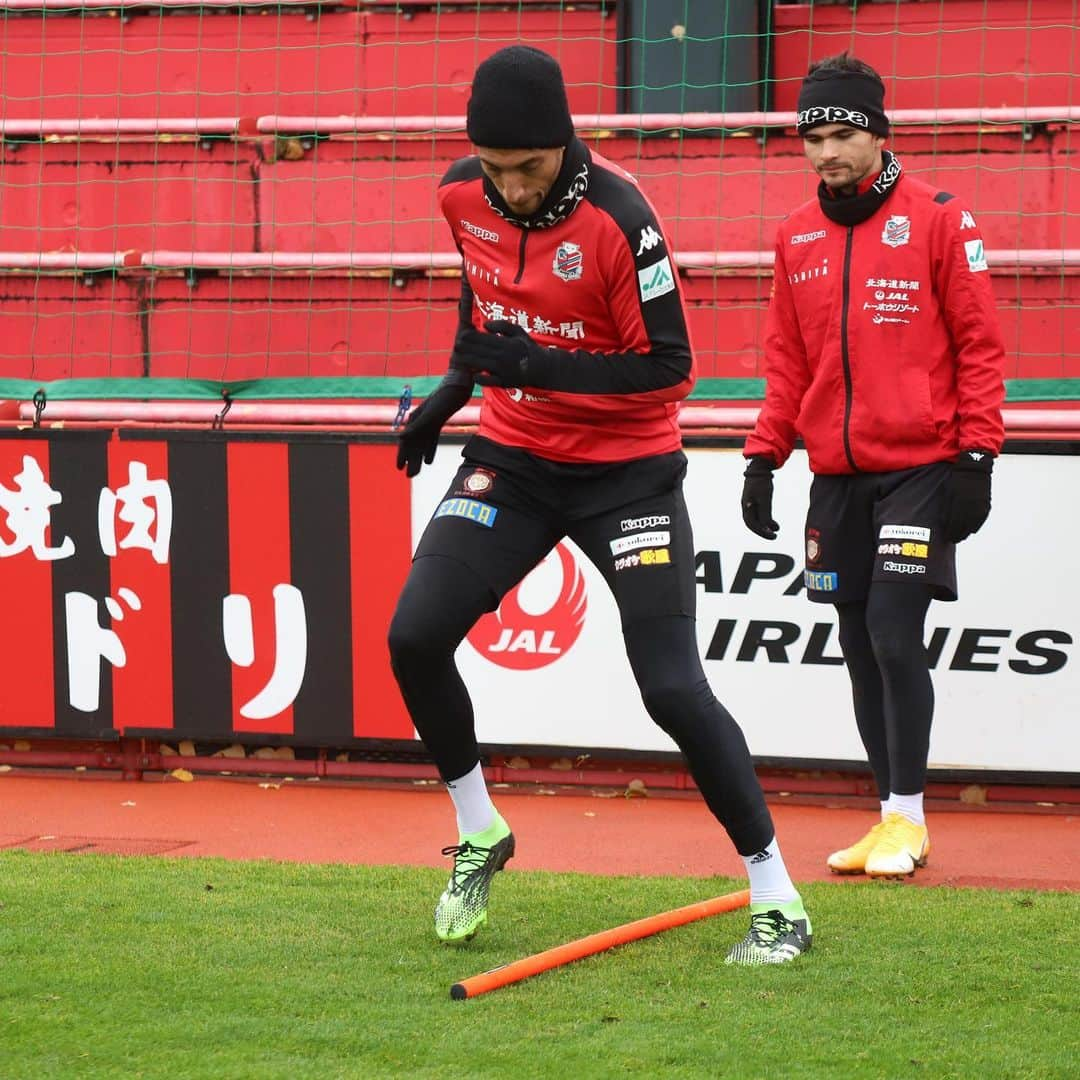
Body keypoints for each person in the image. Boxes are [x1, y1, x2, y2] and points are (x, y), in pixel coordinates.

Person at [389, 45, 811, 964]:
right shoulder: (463, 196)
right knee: (412, 636)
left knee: (670, 688)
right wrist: (447, 399)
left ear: (565, 143)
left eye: (530, 169)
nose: (513, 189)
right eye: (497, 170)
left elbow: (670, 371)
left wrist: (536, 366)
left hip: (627, 474)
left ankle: (777, 896)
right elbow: (485, 307)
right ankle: (479, 833)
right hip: (515, 456)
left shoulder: (623, 218)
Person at [740, 52, 1005, 878]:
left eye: (843, 132)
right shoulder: (795, 236)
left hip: (924, 467)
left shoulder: (940, 219)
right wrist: (762, 455)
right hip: (836, 477)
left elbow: (980, 346)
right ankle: (888, 816)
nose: (828, 152)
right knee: (857, 643)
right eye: (813, 137)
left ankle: (912, 818)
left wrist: (977, 454)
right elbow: (789, 361)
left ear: (878, 132)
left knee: (894, 633)